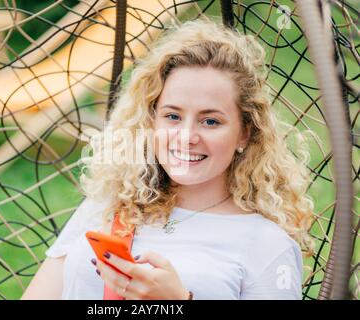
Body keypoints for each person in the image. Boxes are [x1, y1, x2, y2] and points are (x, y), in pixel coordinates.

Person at [21, 16, 315, 300]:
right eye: (172, 116)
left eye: (210, 121)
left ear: (244, 134)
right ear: (152, 121)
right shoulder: (108, 206)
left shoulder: (267, 244)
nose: (186, 136)